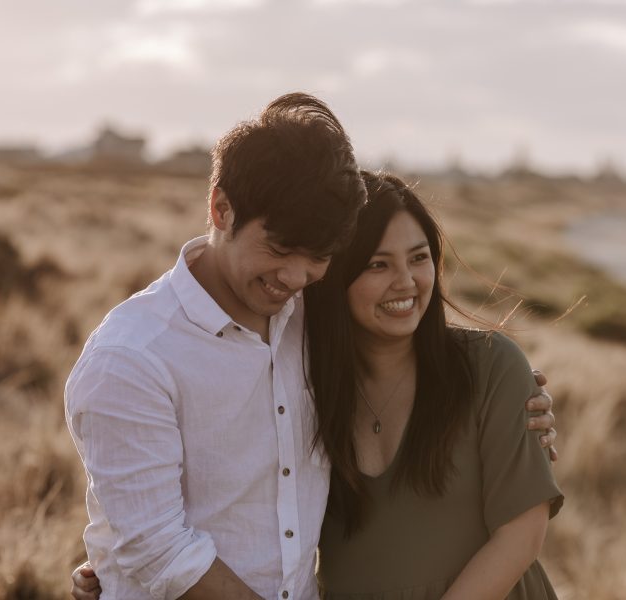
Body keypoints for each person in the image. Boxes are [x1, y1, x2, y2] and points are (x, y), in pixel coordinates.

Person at [66, 94, 558, 600]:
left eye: (319, 257)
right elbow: (157, 549)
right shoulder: (131, 358)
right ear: (220, 208)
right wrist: (115, 550)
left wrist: (519, 405)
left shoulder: (309, 321)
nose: (295, 278)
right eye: (279, 250)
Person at [306, 172, 562, 599]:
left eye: (419, 258)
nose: (406, 281)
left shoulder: (490, 366)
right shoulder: (305, 384)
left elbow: (523, 532)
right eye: (377, 264)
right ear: (337, 277)